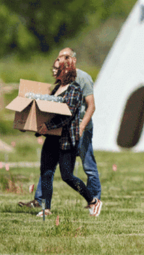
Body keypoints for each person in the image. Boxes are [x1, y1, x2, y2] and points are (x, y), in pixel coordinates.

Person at [19, 48, 101, 210]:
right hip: (61, 130)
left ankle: (93, 200)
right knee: (48, 167)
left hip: (79, 128)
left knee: (87, 166)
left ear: (73, 60)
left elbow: (91, 106)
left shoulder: (83, 78)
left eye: (65, 57)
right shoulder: (60, 82)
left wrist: (82, 127)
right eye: (59, 58)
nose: (61, 61)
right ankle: (40, 200)